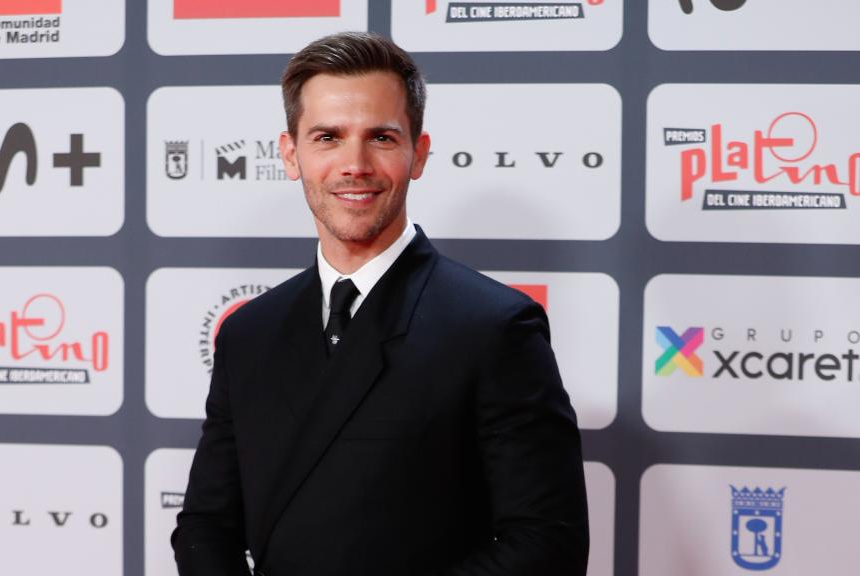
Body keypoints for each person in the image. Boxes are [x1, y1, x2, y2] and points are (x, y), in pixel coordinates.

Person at [172, 31, 588, 576]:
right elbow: (207, 525)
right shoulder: (248, 332)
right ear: (291, 154)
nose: (355, 164)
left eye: (382, 138)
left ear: (419, 154)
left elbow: (545, 545)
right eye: (328, 137)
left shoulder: (493, 327)